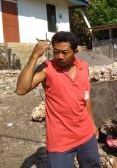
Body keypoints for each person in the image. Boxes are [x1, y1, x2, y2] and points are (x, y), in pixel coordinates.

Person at [16, 31, 101, 168]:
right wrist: (34, 56)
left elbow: (85, 97)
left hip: (86, 135)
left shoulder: (83, 66)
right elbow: (21, 89)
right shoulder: (47, 69)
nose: (59, 56)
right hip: (60, 140)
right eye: (56, 52)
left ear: (75, 51)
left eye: (64, 52)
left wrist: (92, 123)